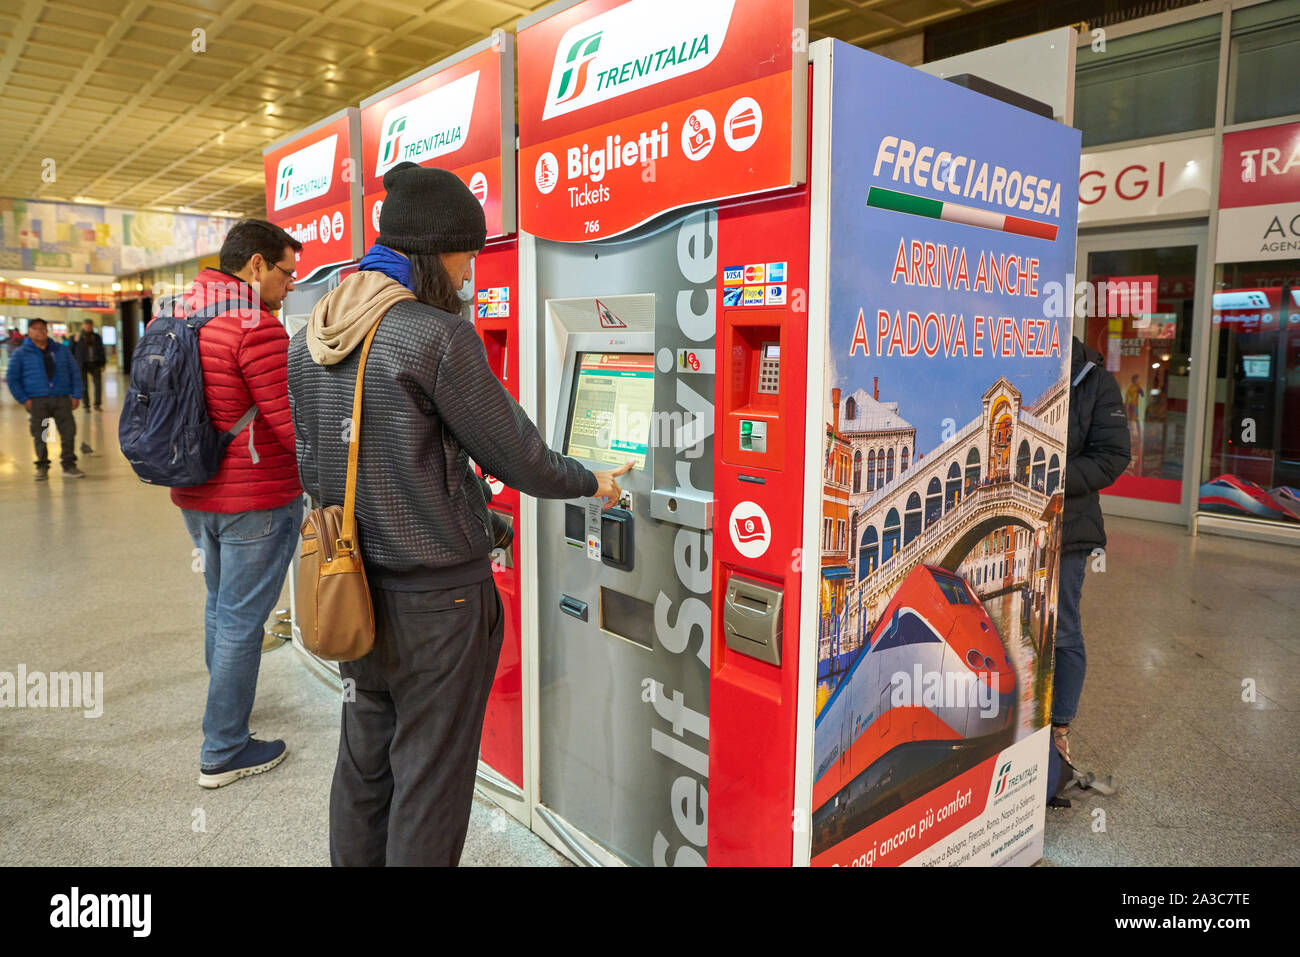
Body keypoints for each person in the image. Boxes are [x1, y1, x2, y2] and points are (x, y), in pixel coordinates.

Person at [288, 162, 630, 867]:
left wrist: (482, 519)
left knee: (365, 759)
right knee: (431, 779)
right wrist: (594, 480)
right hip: (436, 606)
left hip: (349, 586)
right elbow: (522, 458)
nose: (472, 271)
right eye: (467, 255)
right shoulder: (435, 337)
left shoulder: (312, 337)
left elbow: (344, 463)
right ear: (435, 252)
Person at [174, 219, 305, 789]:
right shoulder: (257, 326)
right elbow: (292, 426)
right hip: (255, 498)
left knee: (219, 607)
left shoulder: (177, 311)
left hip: (193, 490)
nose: (291, 286)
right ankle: (224, 747)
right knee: (241, 622)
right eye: (286, 272)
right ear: (255, 264)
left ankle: (226, 714)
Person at [1055, 337, 1131, 762]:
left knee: (1062, 628)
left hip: (1069, 529)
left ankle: (1058, 733)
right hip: (1017, 530)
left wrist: (1051, 476)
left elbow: (1112, 456)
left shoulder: (1094, 381)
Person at [5, 318, 85, 480]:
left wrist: (76, 395)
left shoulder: (61, 350)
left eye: (42, 328)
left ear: (47, 331)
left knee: (68, 433)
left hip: (62, 399)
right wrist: (24, 399)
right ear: (29, 332)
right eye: (35, 329)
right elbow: (12, 378)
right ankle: (42, 466)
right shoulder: (21, 353)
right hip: (38, 401)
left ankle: (69, 465)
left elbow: (75, 373)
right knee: (42, 434)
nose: (40, 331)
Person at [73, 319, 107, 412]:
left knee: (98, 385)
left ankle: (97, 404)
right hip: (82, 364)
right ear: (83, 326)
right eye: (86, 325)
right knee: (84, 386)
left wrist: (103, 363)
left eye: (90, 325)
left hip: (95, 363)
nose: (88, 327)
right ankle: (86, 405)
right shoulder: (77, 337)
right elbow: (71, 351)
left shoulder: (96, 337)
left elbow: (101, 350)